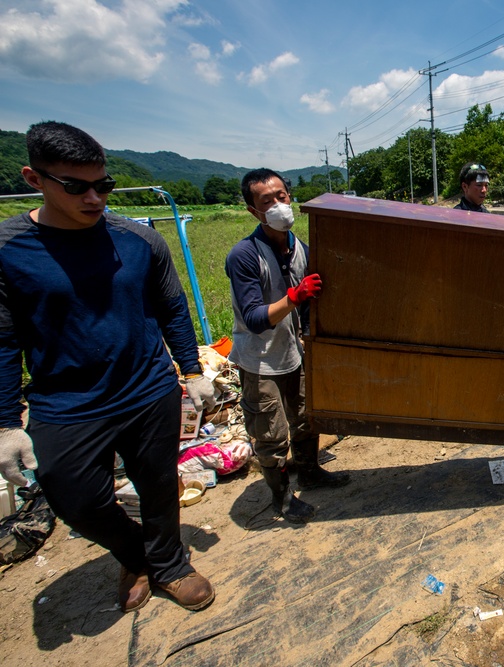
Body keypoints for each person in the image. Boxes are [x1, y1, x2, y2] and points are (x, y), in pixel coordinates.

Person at [0, 121, 216, 612]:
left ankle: (169, 564)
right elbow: (2, 340)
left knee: (159, 485)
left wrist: (192, 371)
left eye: (103, 185)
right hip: (66, 402)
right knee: (75, 499)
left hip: (147, 389)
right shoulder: (9, 250)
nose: (94, 198)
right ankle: (134, 552)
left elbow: (172, 307)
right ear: (35, 179)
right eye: (76, 187)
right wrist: (6, 424)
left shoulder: (138, 240)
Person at [226, 168, 350, 524]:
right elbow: (252, 317)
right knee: (271, 433)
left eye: (282, 196)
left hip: (294, 353)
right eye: (267, 201)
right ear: (253, 211)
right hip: (260, 359)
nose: (279, 204)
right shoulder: (245, 256)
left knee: (306, 418)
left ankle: (310, 473)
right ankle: (281, 499)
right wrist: (295, 296)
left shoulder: (301, 250)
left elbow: (313, 305)